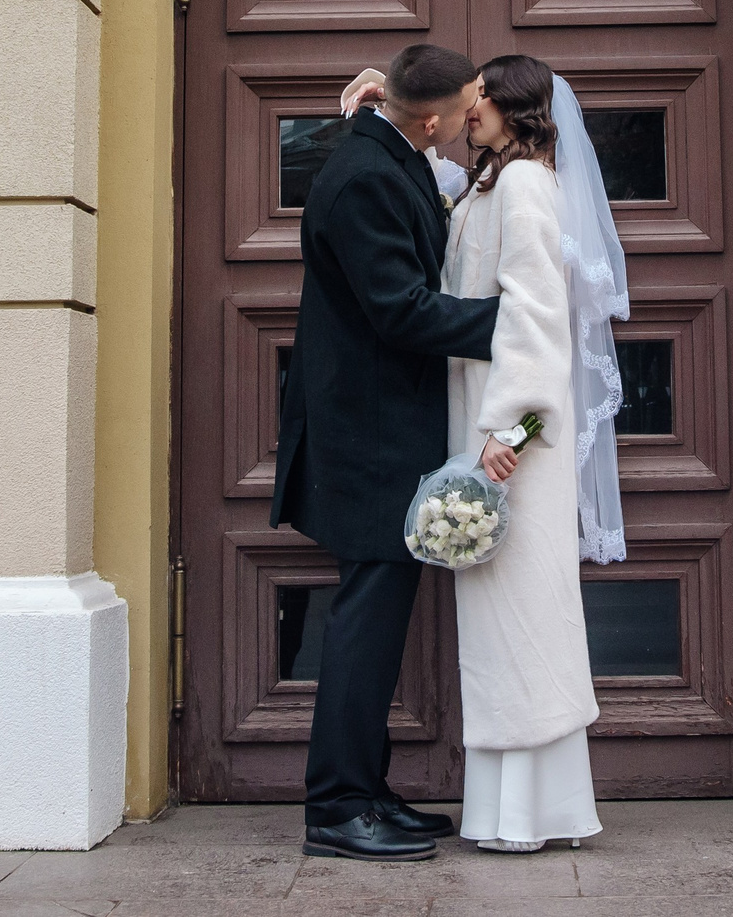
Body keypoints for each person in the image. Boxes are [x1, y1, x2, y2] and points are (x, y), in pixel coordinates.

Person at [347, 53, 630, 853]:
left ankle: (538, 812)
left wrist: (511, 429)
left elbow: (538, 314)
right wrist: (379, 99)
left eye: (484, 98)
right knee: (499, 626)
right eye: (468, 97)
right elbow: (423, 164)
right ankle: (509, 811)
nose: (471, 108)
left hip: (514, 446)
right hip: (486, 436)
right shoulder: (486, 186)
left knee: (522, 621)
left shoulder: (530, 188)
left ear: (517, 108)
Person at [274, 42, 499, 862]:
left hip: (377, 428)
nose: (471, 117)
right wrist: (518, 322)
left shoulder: (384, 145)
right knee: (364, 623)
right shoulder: (366, 175)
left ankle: (367, 788)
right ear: (432, 120)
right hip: (364, 435)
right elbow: (402, 311)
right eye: (464, 106)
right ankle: (336, 805)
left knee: (377, 617)